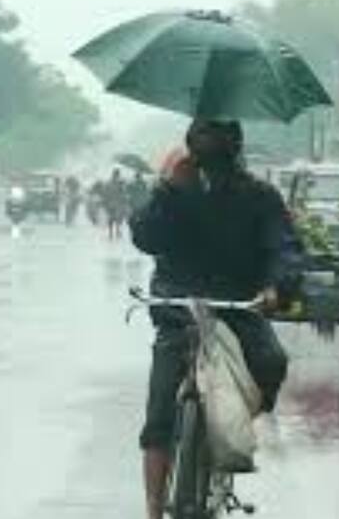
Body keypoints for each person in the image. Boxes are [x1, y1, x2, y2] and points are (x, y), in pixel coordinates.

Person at [129, 119, 294, 519]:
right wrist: (169, 188)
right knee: (159, 416)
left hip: (240, 308)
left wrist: (277, 287)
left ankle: (233, 426)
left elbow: (284, 248)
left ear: (235, 145)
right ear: (189, 146)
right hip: (178, 307)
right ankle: (153, 508)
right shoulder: (174, 192)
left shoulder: (261, 196)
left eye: (218, 138)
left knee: (273, 362)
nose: (210, 146)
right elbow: (144, 237)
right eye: (202, 138)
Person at [104, 168, 128, 239]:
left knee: (111, 218)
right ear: (117, 175)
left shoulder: (108, 182)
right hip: (117, 203)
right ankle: (117, 232)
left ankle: (111, 233)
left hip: (110, 203)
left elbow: (105, 193)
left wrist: (106, 202)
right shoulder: (119, 183)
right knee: (117, 218)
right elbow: (122, 193)